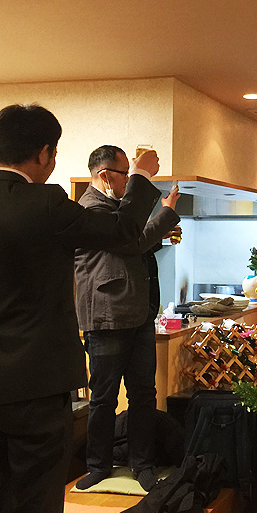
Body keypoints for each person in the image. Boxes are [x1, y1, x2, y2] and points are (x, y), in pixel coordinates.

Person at [0, 105, 161, 513]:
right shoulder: (46, 203)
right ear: (44, 153)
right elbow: (123, 232)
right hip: (36, 382)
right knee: (37, 505)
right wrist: (140, 176)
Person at [74, 145, 181, 491]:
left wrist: (160, 226)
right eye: (126, 175)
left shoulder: (116, 211)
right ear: (105, 175)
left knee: (144, 394)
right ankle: (98, 465)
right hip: (106, 317)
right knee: (103, 397)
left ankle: (142, 463)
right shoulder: (90, 209)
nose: (128, 182)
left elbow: (133, 242)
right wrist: (164, 212)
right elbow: (130, 243)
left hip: (138, 313)